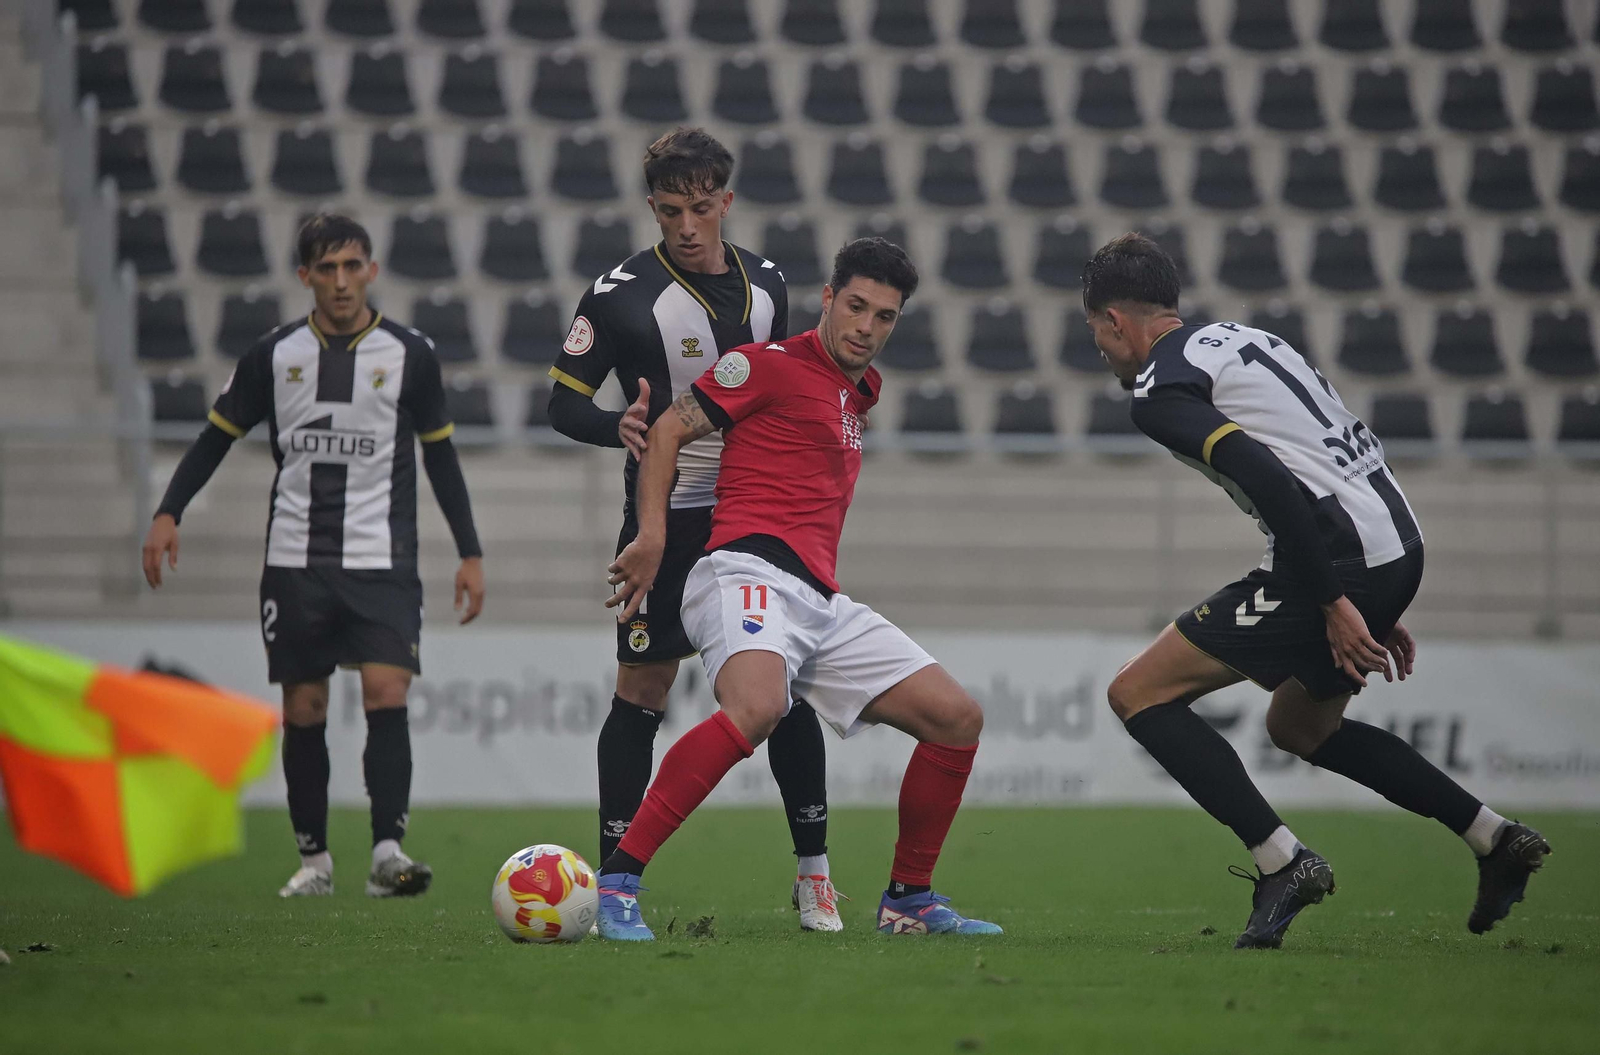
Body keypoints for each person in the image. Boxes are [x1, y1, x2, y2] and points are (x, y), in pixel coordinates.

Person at [1083, 232, 1551, 948]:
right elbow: (1331, 441)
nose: (1102, 351)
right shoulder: (1237, 338)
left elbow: (1271, 478)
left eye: (1096, 333)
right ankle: (1494, 837)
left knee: (1137, 692)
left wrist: (1335, 598)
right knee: (1300, 727)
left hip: (1341, 555)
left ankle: (1283, 862)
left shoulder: (1160, 389)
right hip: (1394, 537)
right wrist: (1375, 583)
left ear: (1116, 320)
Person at [596, 237, 1000, 941]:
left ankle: (909, 896)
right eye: (856, 306)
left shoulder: (858, 391)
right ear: (827, 299)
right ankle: (618, 881)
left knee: (956, 718)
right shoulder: (763, 365)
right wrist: (654, 535)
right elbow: (666, 432)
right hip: (744, 570)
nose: (866, 326)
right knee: (756, 707)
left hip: (819, 599)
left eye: (884, 316)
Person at [544, 127, 839, 929]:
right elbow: (563, 400)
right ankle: (614, 883)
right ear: (652, 207)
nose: (686, 224)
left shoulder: (770, 284)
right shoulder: (618, 295)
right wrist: (621, 430)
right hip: (662, 520)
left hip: (756, 516)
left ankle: (814, 875)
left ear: (726, 203)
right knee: (641, 688)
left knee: (780, 690)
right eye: (670, 209)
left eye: (701, 208)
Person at [142, 214, 486, 899]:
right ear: (304, 277)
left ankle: (388, 851)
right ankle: (315, 860)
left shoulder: (410, 353)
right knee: (303, 705)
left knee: (387, 689)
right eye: (326, 269)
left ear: (371, 271)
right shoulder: (273, 355)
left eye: (352, 266)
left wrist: (470, 552)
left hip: (383, 556)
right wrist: (167, 510)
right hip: (296, 558)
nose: (340, 281)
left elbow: (441, 454)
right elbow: (216, 437)